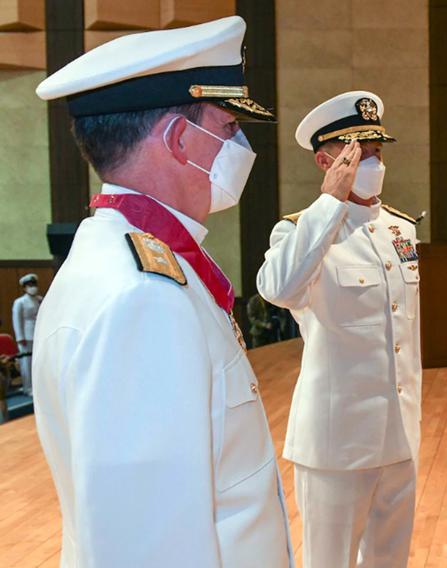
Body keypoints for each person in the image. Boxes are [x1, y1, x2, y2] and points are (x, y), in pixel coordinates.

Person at [32, 17, 292, 566]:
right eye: (227, 128)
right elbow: (148, 547)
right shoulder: (141, 297)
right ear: (179, 139)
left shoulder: (125, 259)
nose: (239, 145)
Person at [257, 90, 420, 568]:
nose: (371, 163)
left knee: (390, 561)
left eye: (377, 152)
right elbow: (279, 288)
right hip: (337, 442)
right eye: (357, 154)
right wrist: (329, 203)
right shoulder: (299, 232)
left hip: (400, 436)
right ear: (326, 160)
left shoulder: (400, 230)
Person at [11, 273, 42, 395]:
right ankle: (27, 387)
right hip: (26, 335)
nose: (32, 287)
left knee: (37, 361)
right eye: (29, 285)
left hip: (38, 333)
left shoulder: (39, 299)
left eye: (34, 284)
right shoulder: (20, 302)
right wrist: (20, 337)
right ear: (24, 287)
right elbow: (17, 320)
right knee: (26, 362)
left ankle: (37, 385)